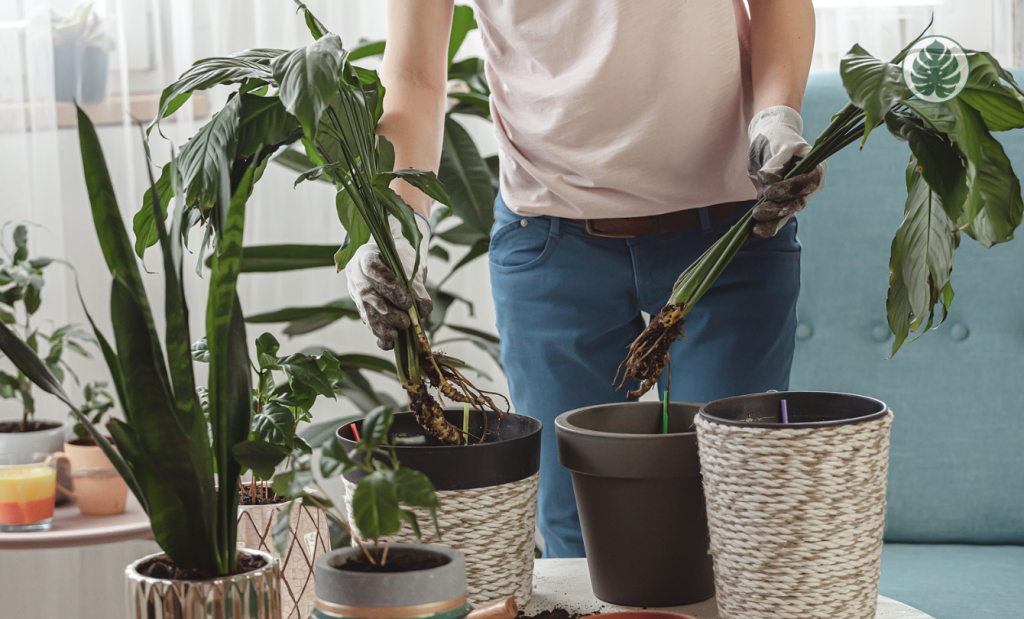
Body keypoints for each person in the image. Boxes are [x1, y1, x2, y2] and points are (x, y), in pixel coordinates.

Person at [346, 0, 825, 558]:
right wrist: (401, 224)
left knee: (736, 518)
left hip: (731, 231)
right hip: (550, 236)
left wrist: (777, 116)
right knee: (575, 531)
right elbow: (414, 74)